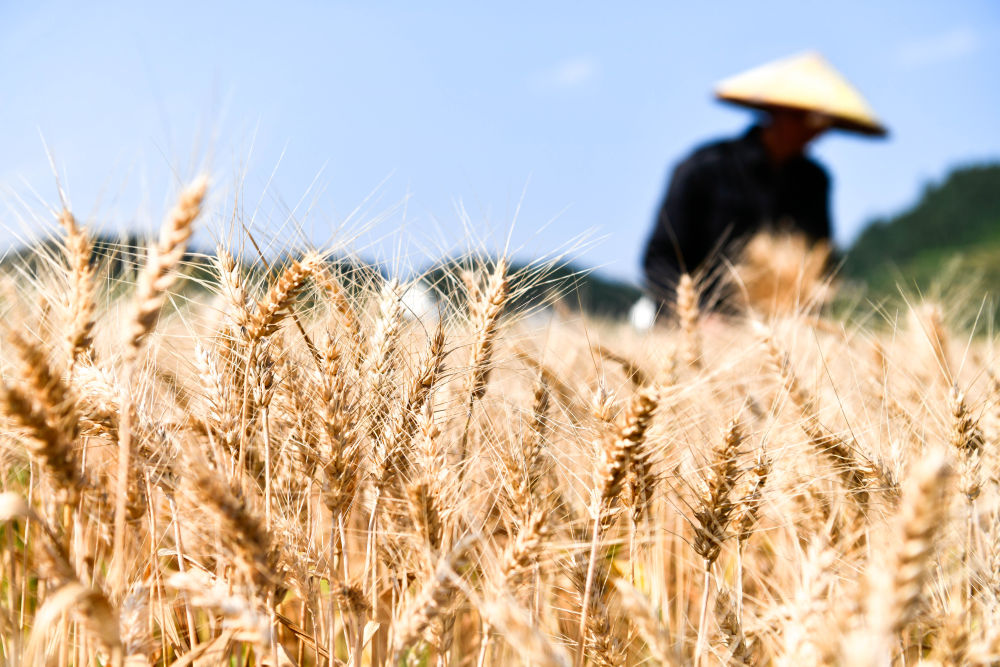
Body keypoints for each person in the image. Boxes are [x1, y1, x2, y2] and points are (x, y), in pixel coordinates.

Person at [642, 51, 886, 309]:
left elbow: (820, 260)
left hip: (781, 328)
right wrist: (698, 317)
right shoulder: (704, 168)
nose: (816, 131)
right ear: (778, 112)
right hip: (704, 325)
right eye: (808, 118)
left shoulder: (814, 181)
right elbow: (660, 258)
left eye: (824, 122)